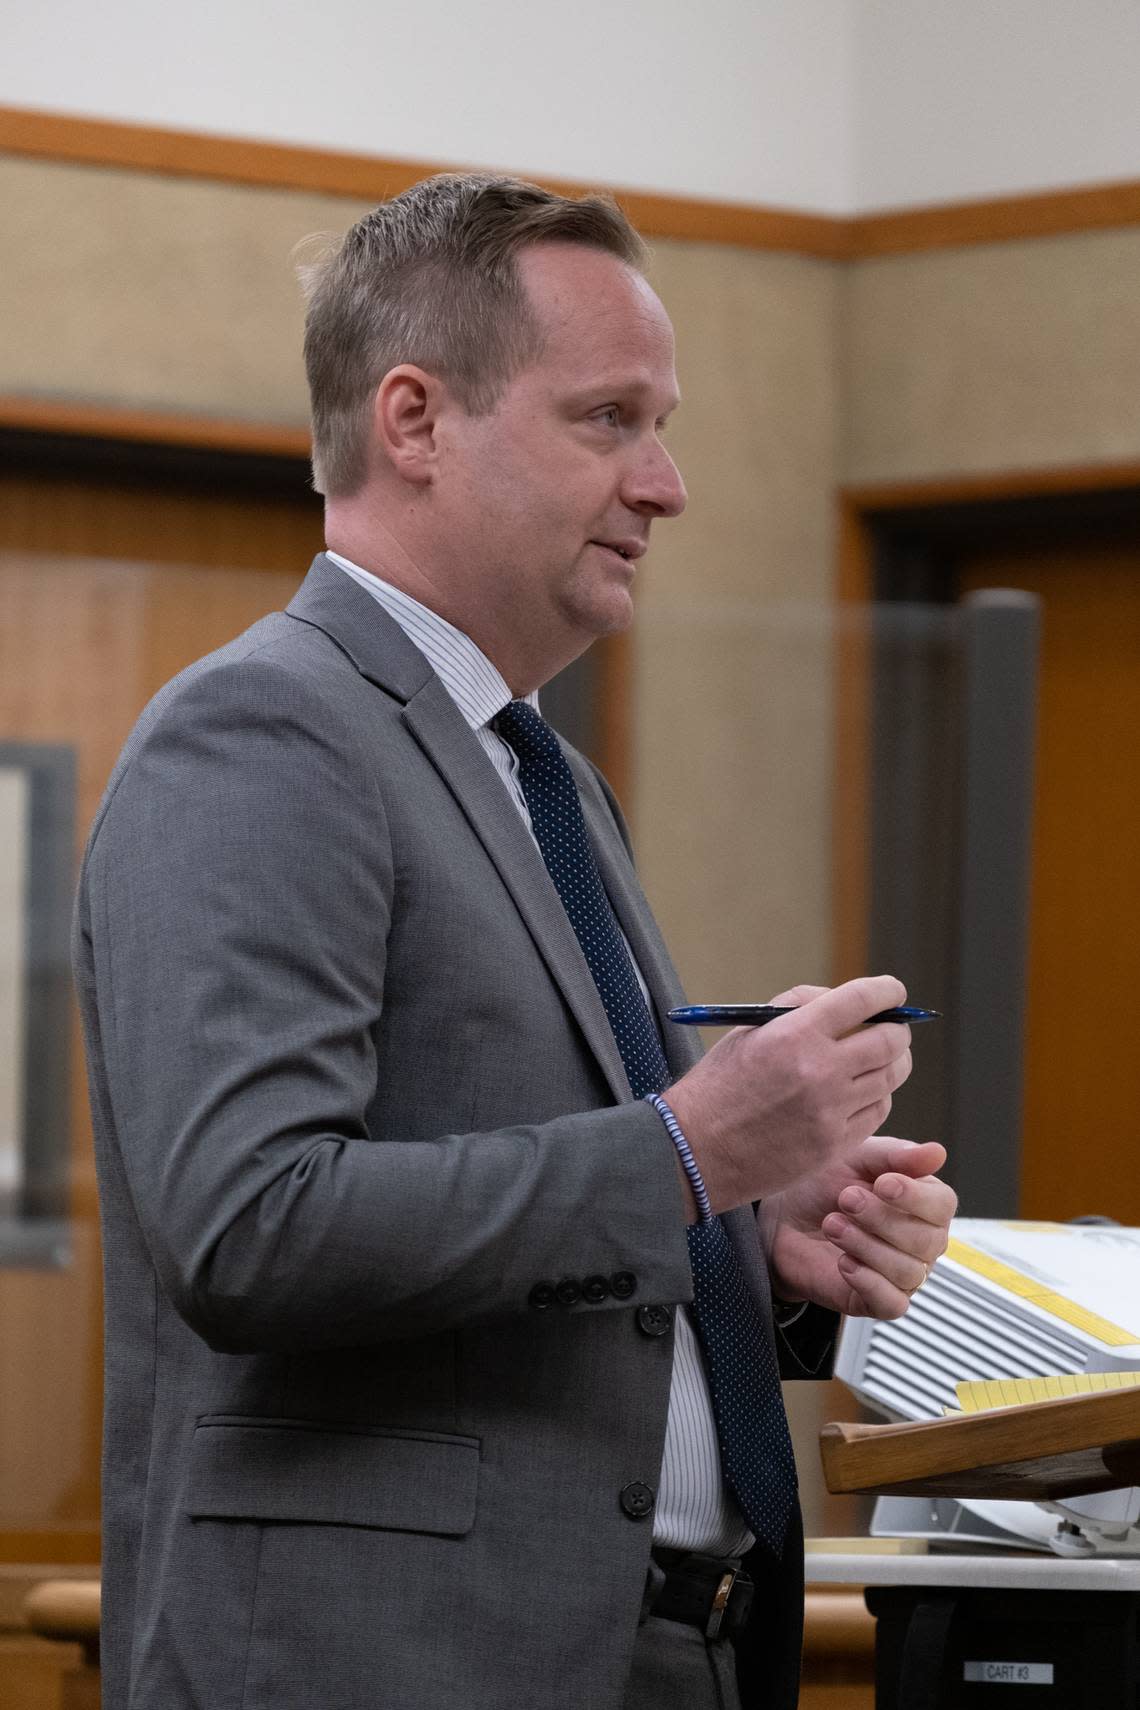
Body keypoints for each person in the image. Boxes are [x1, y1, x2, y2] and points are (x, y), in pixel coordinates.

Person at [73, 173, 955, 1710]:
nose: (667, 483)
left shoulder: (543, 774)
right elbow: (249, 1223)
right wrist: (690, 1152)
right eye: (610, 419)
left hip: (660, 1643)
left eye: (660, 424)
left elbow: (550, 1206)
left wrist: (754, 1238)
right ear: (414, 422)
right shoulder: (267, 730)